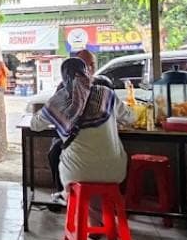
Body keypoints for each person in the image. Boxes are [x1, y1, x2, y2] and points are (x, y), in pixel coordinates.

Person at [31, 58, 134, 203]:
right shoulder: (106, 94)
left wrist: (54, 112)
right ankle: (93, 208)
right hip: (115, 172)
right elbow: (131, 118)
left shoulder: (58, 101)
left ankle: (67, 196)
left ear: (63, 77)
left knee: (60, 152)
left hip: (76, 174)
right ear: (87, 72)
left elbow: (35, 125)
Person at [47, 50, 98, 199]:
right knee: (54, 152)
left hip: (93, 137)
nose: (89, 68)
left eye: (92, 64)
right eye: (85, 65)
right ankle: (62, 192)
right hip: (68, 135)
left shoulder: (101, 85)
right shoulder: (63, 87)